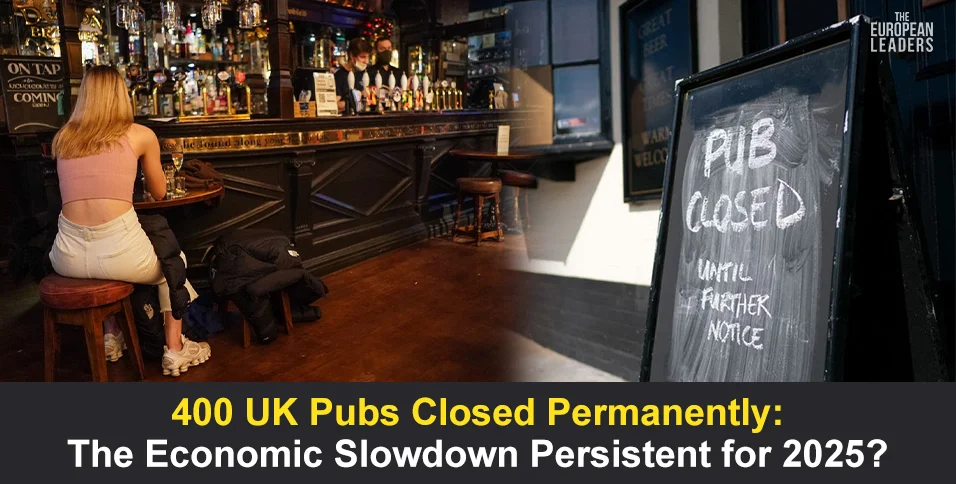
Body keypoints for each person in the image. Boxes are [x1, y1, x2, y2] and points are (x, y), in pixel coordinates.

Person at [49, 65, 211, 377]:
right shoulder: (140, 135)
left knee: (98, 268)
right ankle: (175, 348)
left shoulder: (64, 138)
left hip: (66, 257)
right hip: (120, 253)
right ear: (121, 95)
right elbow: (159, 193)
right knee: (173, 264)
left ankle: (111, 335)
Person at [335, 37, 372, 113]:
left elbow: (371, 100)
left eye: (368, 57)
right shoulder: (339, 76)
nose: (366, 61)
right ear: (352, 56)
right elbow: (334, 105)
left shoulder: (365, 75)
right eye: (362, 57)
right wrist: (356, 98)